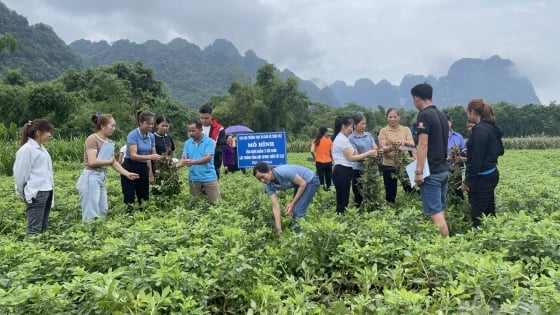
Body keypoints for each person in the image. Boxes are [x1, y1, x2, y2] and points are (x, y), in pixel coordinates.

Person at [77, 114, 139, 221]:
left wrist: (127, 173)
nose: (114, 129)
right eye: (112, 126)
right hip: (91, 177)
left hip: (101, 177)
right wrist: (109, 161)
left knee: (103, 210)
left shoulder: (109, 142)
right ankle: (90, 234)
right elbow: (92, 162)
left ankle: (98, 234)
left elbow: (113, 162)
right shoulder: (92, 139)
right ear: (102, 126)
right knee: (91, 213)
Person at [411, 83, 450, 237]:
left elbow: (423, 144)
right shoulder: (441, 115)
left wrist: (418, 171)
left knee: (435, 213)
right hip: (443, 170)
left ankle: (447, 249)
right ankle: (438, 244)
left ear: (417, 98)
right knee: (439, 210)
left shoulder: (424, 115)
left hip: (431, 172)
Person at [460, 98, 504, 228]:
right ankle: (495, 235)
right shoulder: (491, 127)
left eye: (468, 112)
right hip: (492, 174)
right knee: (489, 210)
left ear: (473, 112)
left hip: (482, 178)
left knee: (477, 214)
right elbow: (500, 150)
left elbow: (477, 160)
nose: (468, 115)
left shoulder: (479, 130)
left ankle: (480, 241)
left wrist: (468, 181)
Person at [253, 162, 320, 234]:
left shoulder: (283, 171)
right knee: (295, 209)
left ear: (269, 170)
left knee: (298, 210)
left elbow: (303, 183)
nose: (262, 180)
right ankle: (297, 231)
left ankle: (300, 237)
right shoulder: (269, 185)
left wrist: (292, 203)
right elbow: (275, 206)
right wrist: (279, 229)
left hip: (310, 181)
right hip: (299, 185)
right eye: (259, 179)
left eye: (262, 176)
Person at [13, 119, 55, 234]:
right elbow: (20, 174)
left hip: (46, 190)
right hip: (36, 192)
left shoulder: (42, 149)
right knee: (34, 228)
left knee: (42, 225)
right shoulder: (27, 150)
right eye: (48, 132)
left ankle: (39, 250)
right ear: (38, 132)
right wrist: (21, 192)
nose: (50, 135)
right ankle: (31, 249)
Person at [331, 115, 377, 214]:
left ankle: (341, 218)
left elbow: (355, 155)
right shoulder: (341, 140)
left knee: (344, 198)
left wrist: (366, 157)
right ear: (343, 126)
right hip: (342, 170)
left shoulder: (344, 138)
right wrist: (369, 153)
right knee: (342, 200)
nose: (351, 130)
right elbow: (351, 158)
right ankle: (340, 219)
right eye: (350, 127)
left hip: (344, 170)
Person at [121, 110, 162, 212]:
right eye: (148, 123)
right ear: (141, 122)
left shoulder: (151, 136)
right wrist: (151, 156)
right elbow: (133, 155)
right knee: (129, 195)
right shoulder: (132, 135)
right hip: (130, 166)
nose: (150, 126)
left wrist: (162, 159)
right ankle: (129, 216)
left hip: (143, 167)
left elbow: (153, 154)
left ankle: (143, 216)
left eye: (152, 124)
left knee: (144, 195)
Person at [178, 119, 221, 204]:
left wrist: (193, 162)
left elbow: (208, 157)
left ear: (201, 130)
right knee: (196, 205)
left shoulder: (209, 142)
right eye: (189, 131)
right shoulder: (187, 143)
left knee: (216, 203)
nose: (190, 133)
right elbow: (184, 158)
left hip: (209, 178)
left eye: (193, 131)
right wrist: (178, 165)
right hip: (194, 178)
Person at [378, 108, 415, 203]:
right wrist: (393, 146)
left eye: (395, 117)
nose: (392, 119)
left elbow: (412, 144)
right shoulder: (383, 131)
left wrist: (404, 142)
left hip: (404, 164)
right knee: (390, 192)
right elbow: (383, 148)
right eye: (390, 117)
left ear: (399, 117)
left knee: (410, 189)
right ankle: (391, 208)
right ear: (387, 118)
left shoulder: (405, 129)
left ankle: (411, 207)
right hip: (389, 165)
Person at [348, 113, 377, 207]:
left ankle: (370, 209)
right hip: (358, 169)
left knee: (371, 190)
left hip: (370, 168)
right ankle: (358, 210)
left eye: (365, 123)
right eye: (362, 124)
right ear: (355, 125)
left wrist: (373, 153)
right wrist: (369, 155)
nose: (364, 126)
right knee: (358, 192)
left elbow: (375, 147)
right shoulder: (351, 138)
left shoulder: (368, 135)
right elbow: (356, 156)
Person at [199, 104, 226, 179]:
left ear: (211, 116)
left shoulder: (219, 129)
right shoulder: (196, 128)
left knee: (212, 189)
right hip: (198, 164)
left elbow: (223, 146)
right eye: (202, 118)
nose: (204, 120)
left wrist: (210, 153)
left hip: (213, 164)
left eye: (207, 118)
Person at [446, 114, 467, 199]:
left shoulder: (458, 136)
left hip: (456, 167)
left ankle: (459, 202)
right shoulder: (438, 136)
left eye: (448, 121)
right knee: (446, 189)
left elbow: (464, 151)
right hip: (443, 167)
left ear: (451, 122)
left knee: (457, 187)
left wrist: (460, 158)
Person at [310, 126, 333, 191]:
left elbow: (312, 150)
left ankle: (322, 192)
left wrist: (314, 157)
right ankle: (329, 192)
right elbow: (332, 152)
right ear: (325, 132)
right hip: (328, 162)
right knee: (329, 179)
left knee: (321, 180)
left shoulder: (315, 141)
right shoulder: (329, 141)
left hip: (319, 162)